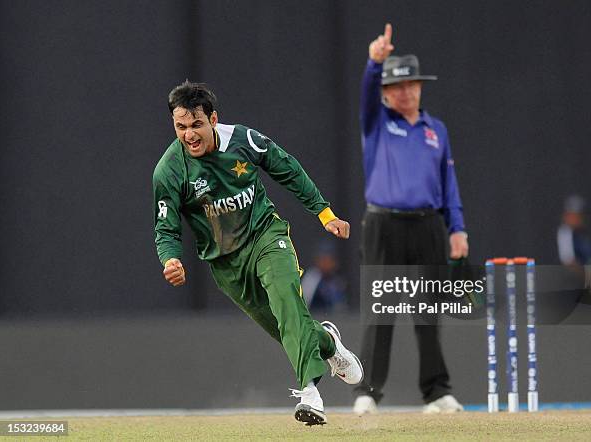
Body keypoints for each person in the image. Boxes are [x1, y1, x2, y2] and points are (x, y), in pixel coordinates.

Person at [153, 81, 363, 425]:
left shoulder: (242, 139)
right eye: (181, 127)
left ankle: (310, 393)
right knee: (284, 326)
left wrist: (325, 214)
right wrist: (170, 259)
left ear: (213, 119)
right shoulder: (169, 170)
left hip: (266, 236)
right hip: (226, 265)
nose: (189, 135)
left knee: (286, 300)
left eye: (196, 125)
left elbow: (287, 168)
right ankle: (328, 344)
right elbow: (165, 227)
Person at [353, 24, 468, 415]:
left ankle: (436, 392)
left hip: (428, 225)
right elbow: (366, 95)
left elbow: (447, 182)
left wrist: (457, 228)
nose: (405, 92)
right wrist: (374, 63)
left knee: (428, 310)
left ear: (420, 87)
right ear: (386, 93)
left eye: (411, 85)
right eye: (396, 86)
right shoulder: (378, 124)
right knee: (381, 310)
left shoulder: (437, 130)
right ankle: (367, 392)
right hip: (384, 225)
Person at [302, 241, 348, 313]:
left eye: (329, 260)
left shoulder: (337, 280)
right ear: (317, 261)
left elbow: (341, 306)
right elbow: (304, 303)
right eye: (323, 260)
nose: (326, 264)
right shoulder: (312, 278)